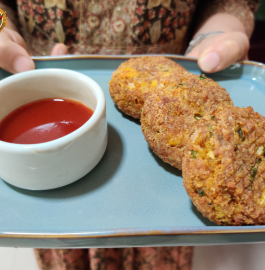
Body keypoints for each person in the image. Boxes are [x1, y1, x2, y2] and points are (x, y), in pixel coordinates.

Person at [0, 0, 260, 269]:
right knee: (61, 241)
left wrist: (219, 29)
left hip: (183, 61)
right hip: (39, 68)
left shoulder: (183, 101)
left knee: (162, 246)